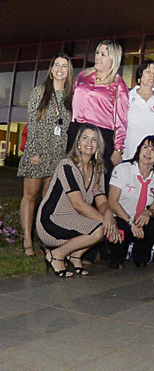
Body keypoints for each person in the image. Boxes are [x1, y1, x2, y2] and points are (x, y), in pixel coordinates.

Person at [37, 124, 120, 276]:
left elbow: (101, 201)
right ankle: (57, 255)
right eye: (85, 138)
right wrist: (107, 223)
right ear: (78, 143)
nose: (89, 143)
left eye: (94, 140)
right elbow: (79, 204)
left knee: (106, 225)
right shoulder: (67, 165)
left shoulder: (98, 169)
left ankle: (75, 256)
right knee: (101, 229)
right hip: (51, 220)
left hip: (74, 219)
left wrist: (109, 216)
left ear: (99, 145)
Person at [18, 53, 73, 257]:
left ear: (68, 72)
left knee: (48, 200)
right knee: (30, 196)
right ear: (51, 69)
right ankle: (26, 241)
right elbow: (33, 124)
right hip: (37, 153)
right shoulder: (39, 92)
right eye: (56, 65)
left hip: (57, 156)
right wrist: (34, 151)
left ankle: (45, 239)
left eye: (64, 66)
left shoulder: (69, 97)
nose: (60, 69)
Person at [69, 40, 130, 172]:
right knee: (70, 175)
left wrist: (118, 149)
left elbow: (121, 121)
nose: (97, 57)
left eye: (102, 54)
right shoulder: (83, 75)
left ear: (113, 59)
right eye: (97, 53)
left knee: (95, 179)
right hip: (76, 131)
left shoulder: (119, 85)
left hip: (101, 135)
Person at [107, 135, 154, 268]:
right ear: (139, 151)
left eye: (153, 150)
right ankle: (117, 254)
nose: (148, 152)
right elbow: (112, 201)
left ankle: (141, 256)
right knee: (117, 254)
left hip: (139, 219)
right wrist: (130, 222)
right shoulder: (123, 170)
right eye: (145, 147)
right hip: (121, 217)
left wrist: (148, 212)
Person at [124, 59, 154, 163]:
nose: (152, 76)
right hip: (128, 155)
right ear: (140, 74)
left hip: (152, 159)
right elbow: (118, 126)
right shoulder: (127, 96)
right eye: (148, 72)